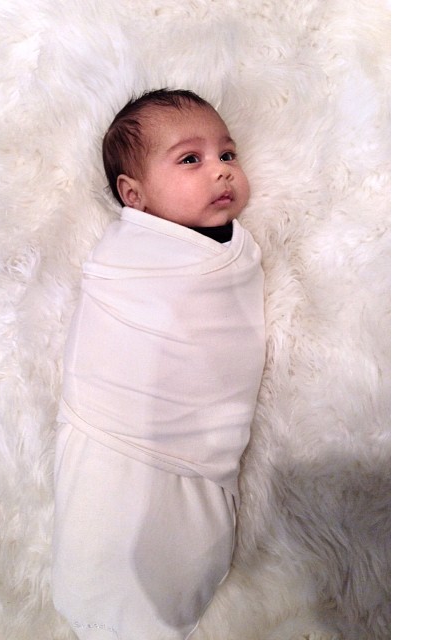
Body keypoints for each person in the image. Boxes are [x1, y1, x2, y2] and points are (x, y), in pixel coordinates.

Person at [51, 89, 266, 640]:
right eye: (191, 159)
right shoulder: (127, 262)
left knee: (176, 538)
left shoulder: (231, 253)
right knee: (106, 516)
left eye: (227, 154)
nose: (221, 170)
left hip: (198, 443)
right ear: (134, 195)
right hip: (114, 431)